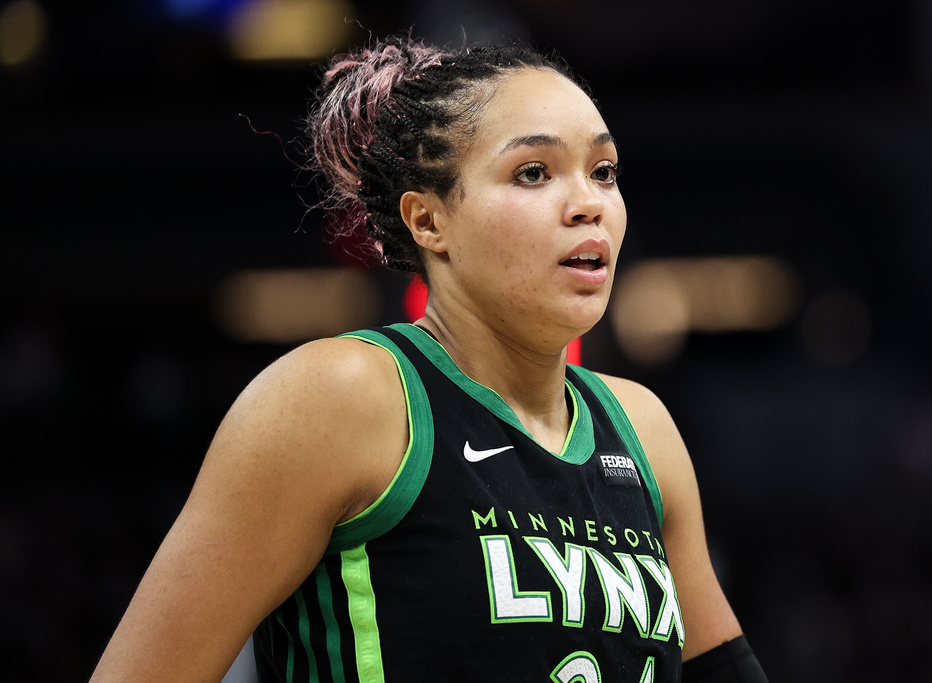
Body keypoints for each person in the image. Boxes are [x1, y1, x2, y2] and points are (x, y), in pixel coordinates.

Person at [90, 37, 769, 682]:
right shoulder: (339, 397)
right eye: (533, 172)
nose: (589, 203)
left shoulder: (641, 428)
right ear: (428, 220)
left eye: (603, 172)